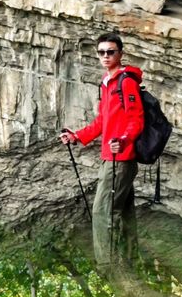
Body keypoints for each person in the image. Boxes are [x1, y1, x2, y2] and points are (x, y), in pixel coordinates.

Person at [60, 32, 145, 269]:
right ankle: (130, 259)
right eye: (101, 52)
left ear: (120, 53)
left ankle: (106, 264)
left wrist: (124, 139)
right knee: (124, 212)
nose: (105, 56)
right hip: (112, 157)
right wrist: (77, 136)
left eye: (111, 52)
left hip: (121, 157)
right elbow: (102, 122)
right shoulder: (107, 83)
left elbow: (136, 119)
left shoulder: (125, 82)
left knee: (102, 212)